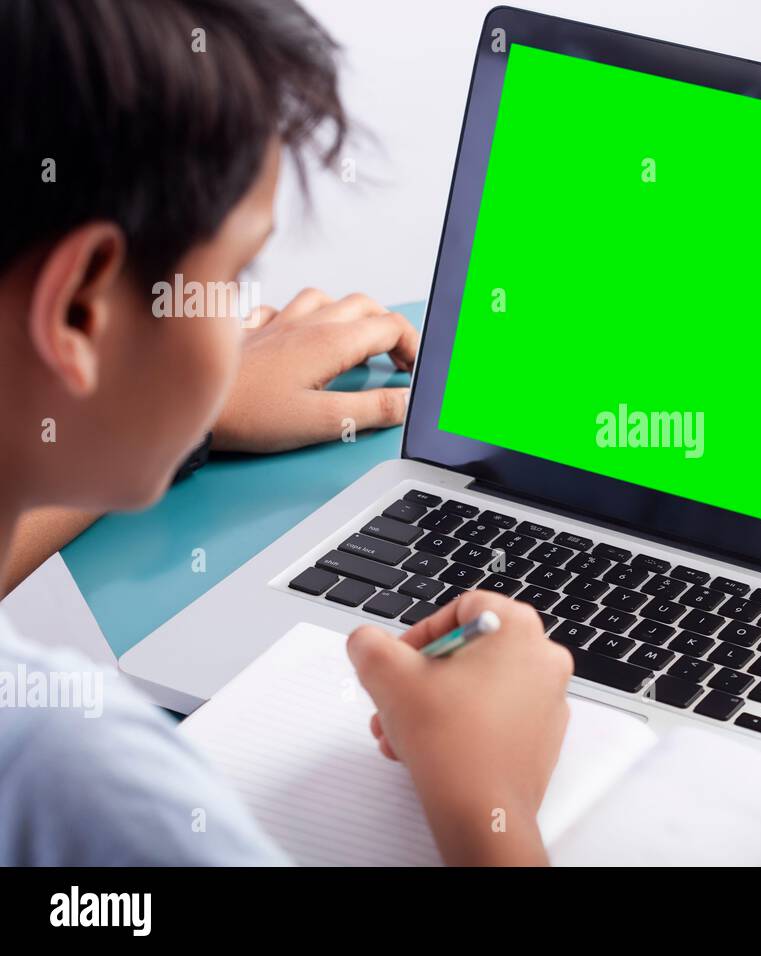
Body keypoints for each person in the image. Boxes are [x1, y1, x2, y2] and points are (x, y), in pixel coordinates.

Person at [0, 0, 573, 866]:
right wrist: (487, 803)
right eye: (232, 275)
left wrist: (167, 408)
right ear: (80, 306)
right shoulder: (77, 780)